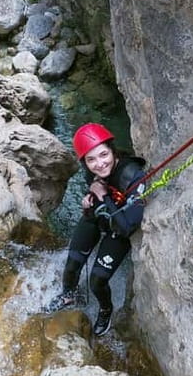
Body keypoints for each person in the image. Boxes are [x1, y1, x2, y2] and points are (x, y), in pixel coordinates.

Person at [45, 123, 147, 336]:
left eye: (104, 155)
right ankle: (69, 294)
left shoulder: (133, 177)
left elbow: (128, 226)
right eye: (91, 160)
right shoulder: (91, 173)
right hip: (99, 215)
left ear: (113, 151)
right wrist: (90, 201)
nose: (100, 164)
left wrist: (102, 196)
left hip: (119, 228)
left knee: (97, 281)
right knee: (72, 264)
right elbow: (94, 191)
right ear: (84, 162)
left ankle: (106, 309)